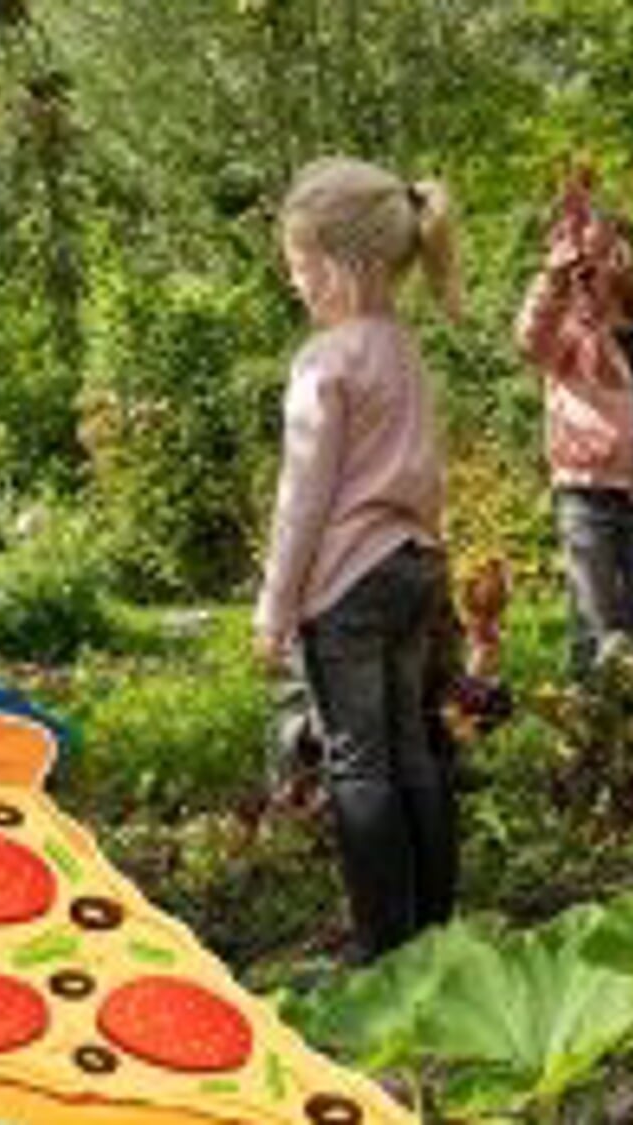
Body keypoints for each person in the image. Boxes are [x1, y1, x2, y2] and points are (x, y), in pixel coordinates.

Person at [253, 156, 461, 963]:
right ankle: (433, 927)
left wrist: (275, 609)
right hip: (413, 563)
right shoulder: (401, 349)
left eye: (301, 268)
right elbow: (426, 467)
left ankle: (382, 949)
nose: (297, 285)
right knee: (413, 745)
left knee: (359, 761)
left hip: (347, 579)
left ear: (344, 264)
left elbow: (303, 497)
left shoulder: (327, 359)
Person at [515, 169, 633, 673]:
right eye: (595, 256)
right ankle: (586, 740)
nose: (607, 263)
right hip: (588, 489)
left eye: (616, 251)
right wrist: (552, 280)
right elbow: (529, 342)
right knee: (595, 628)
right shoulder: (570, 328)